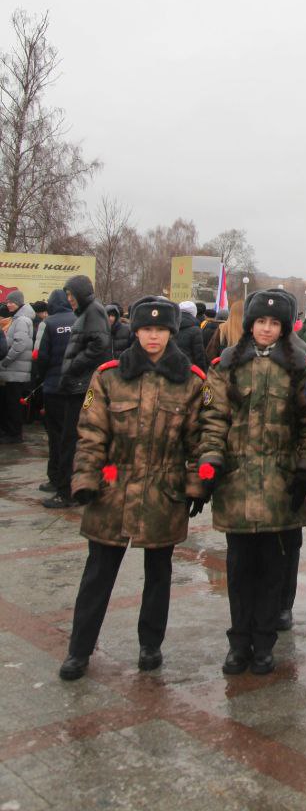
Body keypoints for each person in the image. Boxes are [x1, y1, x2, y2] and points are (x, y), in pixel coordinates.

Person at [58, 297, 206, 680]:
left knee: (158, 574)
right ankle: (79, 650)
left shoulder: (191, 382)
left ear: (171, 333)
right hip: (112, 488)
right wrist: (86, 479)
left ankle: (150, 645)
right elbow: (91, 434)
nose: (153, 336)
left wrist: (196, 486)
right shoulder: (108, 377)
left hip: (164, 491)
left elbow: (198, 441)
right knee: (98, 574)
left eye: (160, 330)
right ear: (136, 331)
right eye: (146, 329)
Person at [198, 289, 306, 675]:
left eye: (274, 323)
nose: (266, 329)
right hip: (236, 482)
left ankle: (265, 643)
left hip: (280, 484)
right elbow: (213, 419)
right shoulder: (226, 366)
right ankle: (239, 642)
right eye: (260, 322)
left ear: (284, 328)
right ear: (249, 325)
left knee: (273, 569)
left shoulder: (301, 367)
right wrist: (210, 460)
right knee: (238, 569)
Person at [44, 275, 111, 508]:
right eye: (68, 295)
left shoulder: (93, 311)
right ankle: (68, 488)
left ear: (81, 292)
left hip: (82, 386)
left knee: (71, 439)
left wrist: (74, 365)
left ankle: (67, 492)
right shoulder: (87, 312)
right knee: (70, 438)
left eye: (72, 294)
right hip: (78, 385)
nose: (69, 298)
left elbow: (99, 344)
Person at [31, 289, 76, 492]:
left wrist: (43, 377)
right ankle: (72, 477)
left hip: (53, 387)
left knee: (55, 434)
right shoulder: (79, 320)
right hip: (76, 388)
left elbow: (40, 356)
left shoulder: (48, 323)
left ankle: (56, 477)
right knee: (73, 434)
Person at [0, 289, 34, 444]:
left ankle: (14, 434)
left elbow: (20, 344)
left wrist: (5, 360)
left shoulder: (22, 320)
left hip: (15, 370)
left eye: (11, 302)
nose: (8, 304)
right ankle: (11, 432)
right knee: (10, 402)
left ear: (19, 303)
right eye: (7, 302)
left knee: (13, 404)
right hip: (14, 369)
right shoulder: (17, 318)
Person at [176, 300, 207, 371]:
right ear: (194, 312)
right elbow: (199, 355)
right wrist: (203, 372)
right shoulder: (196, 330)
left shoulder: (170, 327)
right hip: (190, 370)